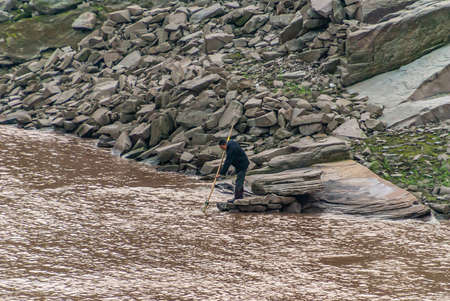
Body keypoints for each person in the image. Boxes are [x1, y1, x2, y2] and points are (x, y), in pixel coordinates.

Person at [217, 139, 250, 203]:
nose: (222, 150)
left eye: (222, 148)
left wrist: (221, 173)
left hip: (242, 165)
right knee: (239, 179)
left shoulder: (231, 150)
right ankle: (240, 194)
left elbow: (227, 163)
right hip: (239, 163)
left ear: (224, 145)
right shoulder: (230, 142)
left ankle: (238, 197)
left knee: (239, 180)